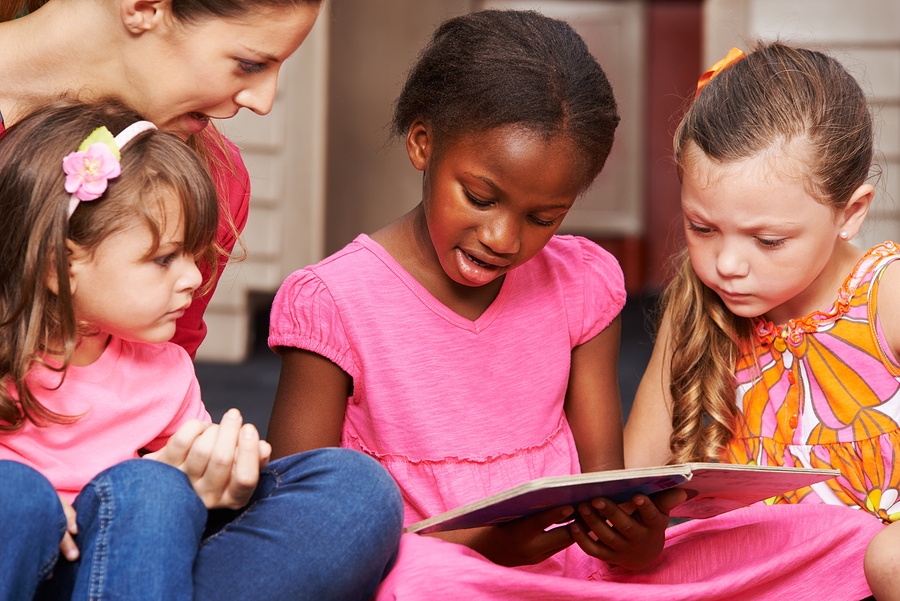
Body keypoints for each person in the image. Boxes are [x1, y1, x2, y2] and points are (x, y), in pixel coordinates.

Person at [267, 12, 882, 599]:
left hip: (578, 578)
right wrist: (481, 548)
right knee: (420, 578)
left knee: (842, 539)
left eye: (544, 217)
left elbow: (608, 492)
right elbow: (305, 530)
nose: (503, 238)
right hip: (434, 574)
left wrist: (635, 540)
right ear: (422, 143)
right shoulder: (333, 302)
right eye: (480, 197)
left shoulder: (581, 284)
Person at [0, 100, 403, 601]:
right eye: (164, 258)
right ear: (58, 266)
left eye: (194, 256)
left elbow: (169, 507)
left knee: (357, 488)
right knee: (19, 496)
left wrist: (220, 483)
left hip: (131, 565)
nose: (194, 277)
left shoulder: (166, 371)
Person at [624, 43, 897, 599]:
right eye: (702, 228)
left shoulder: (887, 298)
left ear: (850, 213)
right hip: (730, 581)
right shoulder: (694, 309)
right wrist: (632, 535)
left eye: (768, 240)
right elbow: (632, 481)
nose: (727, 264)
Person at [0, 0, 322, 358]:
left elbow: (161, 374)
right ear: (144, 8)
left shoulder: (209, 180)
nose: (263, 102)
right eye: (249, 64)